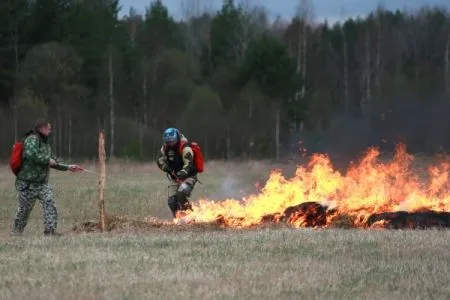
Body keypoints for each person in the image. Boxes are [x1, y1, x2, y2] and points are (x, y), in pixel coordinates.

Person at [10, 119, 82, 237]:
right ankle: (16, 233)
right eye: (48, 128)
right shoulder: (32, 139)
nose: (50, 130)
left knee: (50, 204)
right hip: (28, 184)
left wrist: (68, 167)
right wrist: (47, 160)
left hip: (42, 184)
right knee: (24, 210)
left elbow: (54, 161)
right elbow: (31, 155)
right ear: (41, 129)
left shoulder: (45, 144)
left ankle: (50, 231)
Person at [156, 127, 198, 218]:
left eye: (172, 141)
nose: (170, 144)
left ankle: (191, 217)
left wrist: (181, 173)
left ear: (177, 138)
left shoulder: (185, 148)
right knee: (171, 201)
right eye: (168, 142)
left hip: (189, 176)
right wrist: (167, 168)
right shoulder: (165, 147)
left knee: (181, 196)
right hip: (175, 177)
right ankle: (178, 219)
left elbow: (189, 165)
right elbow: (159, 160)